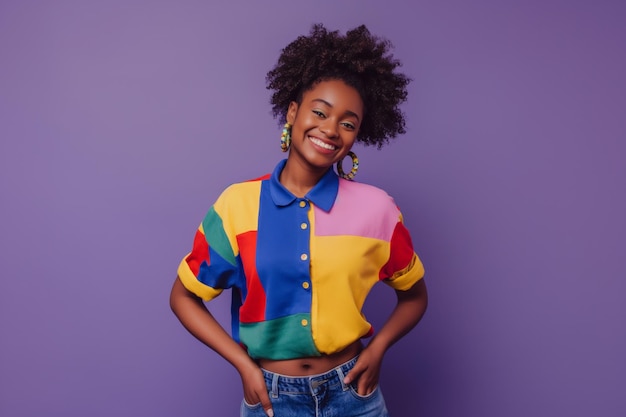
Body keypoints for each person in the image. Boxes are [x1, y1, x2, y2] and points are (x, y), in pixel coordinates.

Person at [170, 24, 428, 417]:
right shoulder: (237, 205)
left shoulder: (378, 210)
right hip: (272, 399)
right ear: (293, 111)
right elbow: (183, 296)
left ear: (357, 135)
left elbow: (415, 295)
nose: (330, 129)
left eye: (347, 122)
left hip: (353, 395)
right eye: (320, 112)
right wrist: (243, 365)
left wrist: (377, 349)